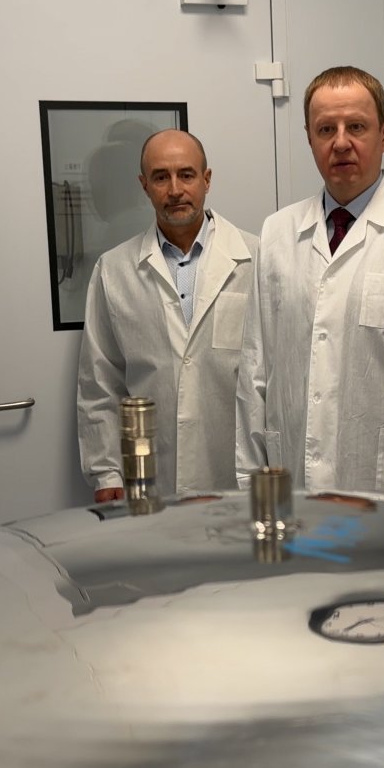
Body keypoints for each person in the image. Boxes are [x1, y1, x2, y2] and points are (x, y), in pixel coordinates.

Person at [237, 67, 384, 493]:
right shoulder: (277, 233)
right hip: (293, 483)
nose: (341, 142)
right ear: (309, 137)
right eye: (326, 129)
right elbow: (255, 371)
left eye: (357, 127)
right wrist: (250, 484)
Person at [76, 129, 259, 500]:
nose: (175, 189)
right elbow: (100, 383)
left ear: (207, 179)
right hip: (151, 473)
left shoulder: (257, 257)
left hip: (241, 471)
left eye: (186, 174)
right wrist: (107, 474)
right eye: (161, 177)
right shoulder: (114, 270)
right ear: (144, 186)